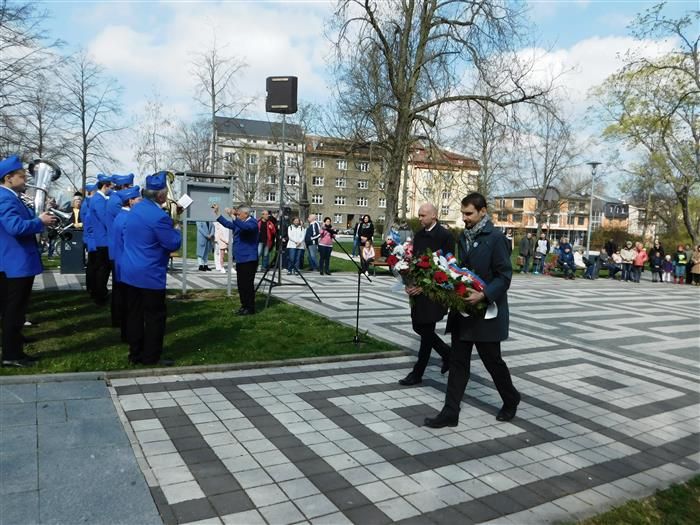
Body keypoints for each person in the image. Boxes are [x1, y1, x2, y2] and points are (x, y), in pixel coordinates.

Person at [424, 193, 519, 428]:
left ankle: (511, 398)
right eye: (463, 213)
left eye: (469, 213)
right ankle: (450, 412)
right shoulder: (463, 237)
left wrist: (484, 294)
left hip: (486, 312)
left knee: (492, 361)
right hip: (463, 311)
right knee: (458, 362)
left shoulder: (496, 238)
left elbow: (504, 275)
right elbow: (460, 269)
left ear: (483, 212)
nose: (464, 218)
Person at [0, 155, 56, 367]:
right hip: (16, 262)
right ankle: (12, 355)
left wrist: (39, 213)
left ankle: (14, 342)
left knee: (13, 309)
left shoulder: (10, 196)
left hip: (15, 261)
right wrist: (39, 221)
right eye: (22, 176)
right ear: (8, 178)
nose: (26, 180)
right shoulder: (4, 198)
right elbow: (16, 227)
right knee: (14, 310)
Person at [121, 172, 181, 366]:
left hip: (130, 272)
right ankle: (151, 357)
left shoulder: (136, 210)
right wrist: (177, 227)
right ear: (161, 196)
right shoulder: (158, 217)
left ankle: (135, 353)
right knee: (155, 318)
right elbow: (172, 243)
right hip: (150, 274)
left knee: (134, 315)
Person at [400, 203, 453, 387]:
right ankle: (448, 354)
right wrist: (409, 282)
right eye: (419, 215)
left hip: (434, 291)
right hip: (417, 290)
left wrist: (425, 286)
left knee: (427, 331)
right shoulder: (420, 234)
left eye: (423, 215)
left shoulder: (445, 236)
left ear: (434, 216)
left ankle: (417, 373)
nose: (420, 218)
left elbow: (446, 266)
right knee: (418, 327)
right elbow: (415, 260)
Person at [213, 204, 258, 315]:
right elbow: (228, 224)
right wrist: (218, 213)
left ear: (246, 214)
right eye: (237, 213)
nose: (237, 215)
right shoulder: (240, 223)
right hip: (240, 259)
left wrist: (233, 216)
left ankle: (250, 307)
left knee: (247, 285)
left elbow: (246, 228)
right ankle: (244, 306)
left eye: (239, 213)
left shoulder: (252, 223)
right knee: (241, 284)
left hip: (249, 259)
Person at [110, 186, 141, 342]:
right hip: (127, 264)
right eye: (138, 199)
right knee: (129, 302)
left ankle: (125, 331)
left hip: (120, 263)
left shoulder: (120, 216)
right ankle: (128, 333)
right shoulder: (127, 218)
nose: (140, 201)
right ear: (130, 201)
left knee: (123, 299)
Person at [90, 173, 114, 305]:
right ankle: (100, 295)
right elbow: (104, 218)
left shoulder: (99, 198)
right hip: (103, 239)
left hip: (102, 238)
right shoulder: (99, 200)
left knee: (102, 269)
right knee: (103, 270)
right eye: (110, 186)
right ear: (105, 186)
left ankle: (99, 293)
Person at [82, 182, 97, 294]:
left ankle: (90, 286)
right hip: (91, 238)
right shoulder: (89, 203)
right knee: (93, 265)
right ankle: (91, 287)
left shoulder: (86, 202)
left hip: (89, 237)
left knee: (92, 265)